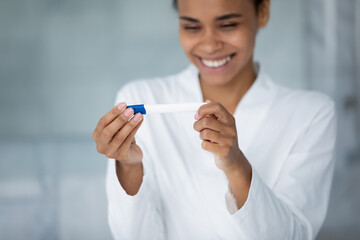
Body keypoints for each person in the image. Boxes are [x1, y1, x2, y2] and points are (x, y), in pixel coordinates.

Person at [92, 0, 336, 239]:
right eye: (191, 27)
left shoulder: (311, 114)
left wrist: (235, 163)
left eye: (228, 25)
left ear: (262, 12)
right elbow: (134, 236)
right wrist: (129, 166)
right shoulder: (141, 98)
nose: (209, 45)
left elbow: (293, 236)